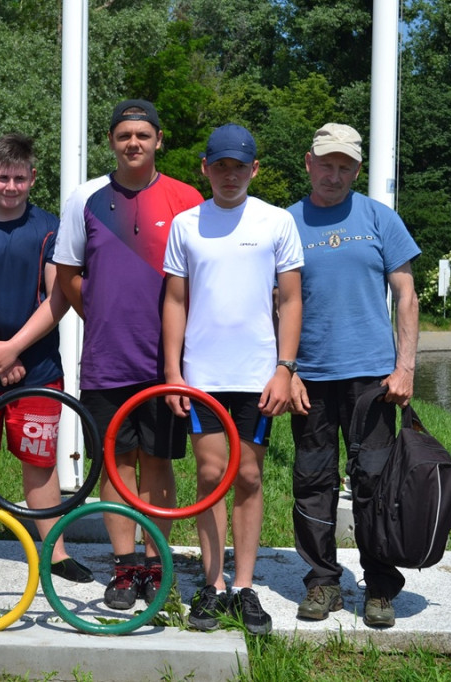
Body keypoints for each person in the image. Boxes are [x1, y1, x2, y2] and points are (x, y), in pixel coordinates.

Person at [53, 99, 204, 610]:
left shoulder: (187, 199)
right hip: (106, 358)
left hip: (166, 364)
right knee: (114, 465)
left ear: (159, 140)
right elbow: (68, 275)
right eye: (124, 136)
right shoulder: (86, 198)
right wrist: (102, 315)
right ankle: (124, 568)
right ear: (112, 142)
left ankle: (156, 562)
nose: (133, 143)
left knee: (158, 462)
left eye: (143, 134)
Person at [162, 124, 303, 635]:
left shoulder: (276, 221)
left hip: (257, 376)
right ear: (205, 167)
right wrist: (173, 371)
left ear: (254, 169)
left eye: (239, 166)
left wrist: (285, 369)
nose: (229, 175)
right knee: (208, 475)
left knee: (247, 476)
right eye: (220, 165)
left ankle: (244, 587)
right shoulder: (186, 224)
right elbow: (175, 301)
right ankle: (212, 584)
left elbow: (290, 301)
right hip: (201, 374)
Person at [287, 123, 420, 628]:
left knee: (376, 483)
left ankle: (380, 585)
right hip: (310, 378)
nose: (334, 174)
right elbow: (274, 304)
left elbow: (406, 295)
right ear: (309, 163)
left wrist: (405, 366)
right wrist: (288, 370)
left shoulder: (378, 219)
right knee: (313, 481)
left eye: (345, 166)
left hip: (373, 380)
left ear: (357, 170)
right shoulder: (287, 222)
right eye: (327, 163)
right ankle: (322, 582)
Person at [0, 133, 93, 584]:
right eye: (3, 178)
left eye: (20, 179)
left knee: (40, 459)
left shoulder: (50, 228)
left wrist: (14, 349)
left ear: (33, 178)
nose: (11, 187)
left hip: (38, 367)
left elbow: (59, 297)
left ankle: (55, 551)